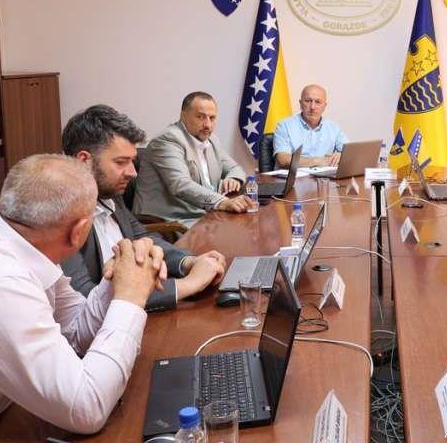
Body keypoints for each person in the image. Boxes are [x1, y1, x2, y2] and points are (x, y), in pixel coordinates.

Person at [0, 155, 166, 440]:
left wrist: (119, 279)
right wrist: (130, 299)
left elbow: (75, 332)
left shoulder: (17, 242)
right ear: (79, 231)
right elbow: (86, 408)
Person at [61, 104, 227, 312]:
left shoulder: (108, 194)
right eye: (121, 162)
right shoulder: (58, 214)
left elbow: (142, 237)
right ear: (84, 160)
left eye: (132, 161)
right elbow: (85, 299)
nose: (133, 173)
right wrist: (188, 285)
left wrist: (188, 262)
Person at [134, 91, 251, 225]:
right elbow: (180, 184)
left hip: (205, 214)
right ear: (183, 115)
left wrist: (233, 178)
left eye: (212, 118)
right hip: (172, 221)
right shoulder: (168, 140)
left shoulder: (211, 140)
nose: (208, 125)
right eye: (201, 117)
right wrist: (222, 202)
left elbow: (234, 168)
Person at [273, 84, 348, 167]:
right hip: (294, 174)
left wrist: (341, 155)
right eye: (308, 101)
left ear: (324, 106)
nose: (312, 107)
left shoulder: (333, 128)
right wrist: (318, 161)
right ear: (300, 103)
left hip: (323, 174)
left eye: (318, 102)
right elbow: (283, 160)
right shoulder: (284, 126)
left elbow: (350, 152)